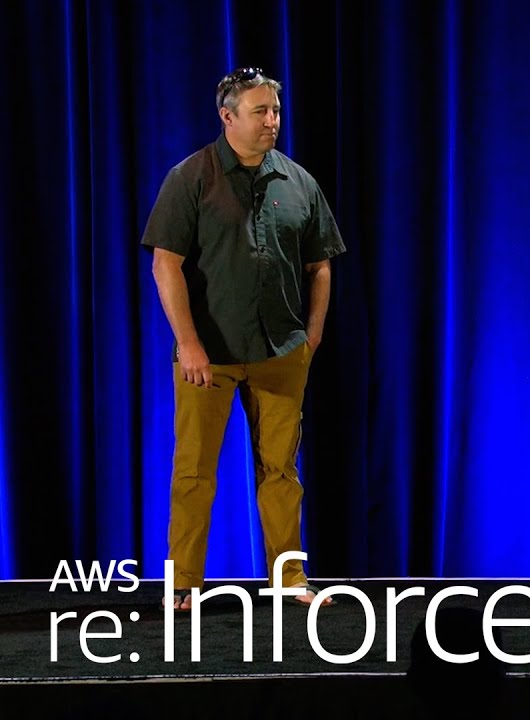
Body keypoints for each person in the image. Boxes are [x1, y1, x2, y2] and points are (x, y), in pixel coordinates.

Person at [141, 67, 347, 610]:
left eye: (275, 111)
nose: (272, 122)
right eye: (260, 112)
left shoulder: (298, 182)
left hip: (281, 352)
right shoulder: (191, 178)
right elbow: (166, 264)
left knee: (282, 472)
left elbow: (319, 266)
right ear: (227, 116)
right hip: (209, 355)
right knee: (194, 470)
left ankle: (290, 579)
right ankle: (184, 582)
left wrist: (312, 336)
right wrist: (188, 343)